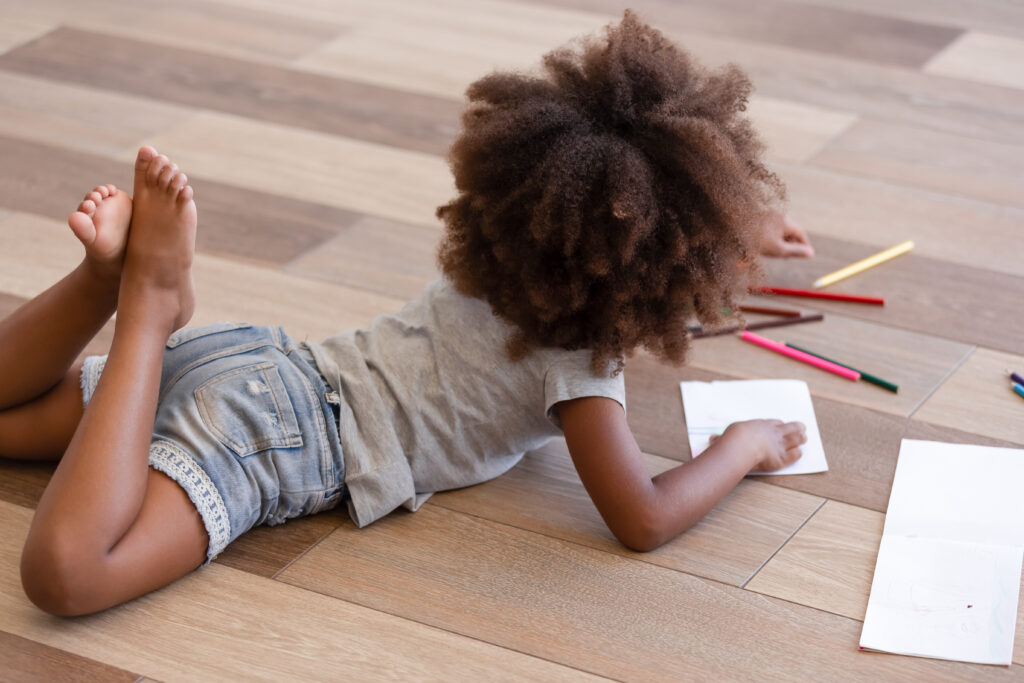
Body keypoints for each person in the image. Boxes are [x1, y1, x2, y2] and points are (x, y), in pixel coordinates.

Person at [2, 11, 813, 617]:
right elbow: (643, 517)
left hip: (257, 361)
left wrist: (735, 224)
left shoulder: (507, 258)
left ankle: (102, 284)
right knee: (69, 574)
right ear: (675, 262)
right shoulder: (578, 365)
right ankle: (144, 303)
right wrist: (741, 446)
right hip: (278, 440)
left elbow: (631, 224)